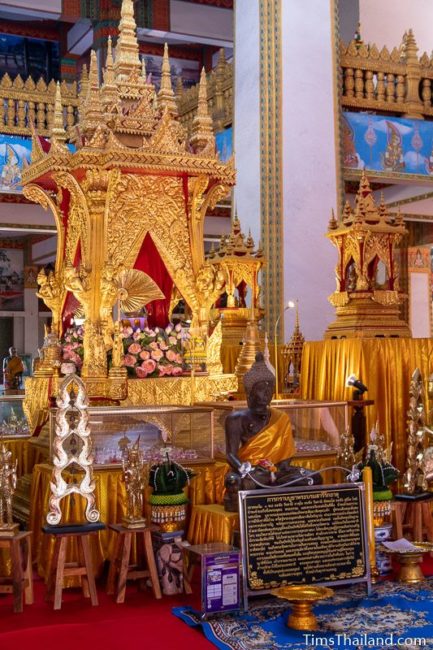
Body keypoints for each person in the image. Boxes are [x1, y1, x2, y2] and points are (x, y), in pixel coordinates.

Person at [223, 352, 321, 511]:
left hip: (275, 472)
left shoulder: (280, 418)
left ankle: (271, 488)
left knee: (314, 477)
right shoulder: (236, 419)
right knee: (233, 482)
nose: (267, 393)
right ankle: (272, 488)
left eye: (270, 388)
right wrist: (246, 469)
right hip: (250, 471)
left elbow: (285, 458)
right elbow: (230, 455)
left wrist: (276, 470)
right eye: (262, 389)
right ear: (250, 392)